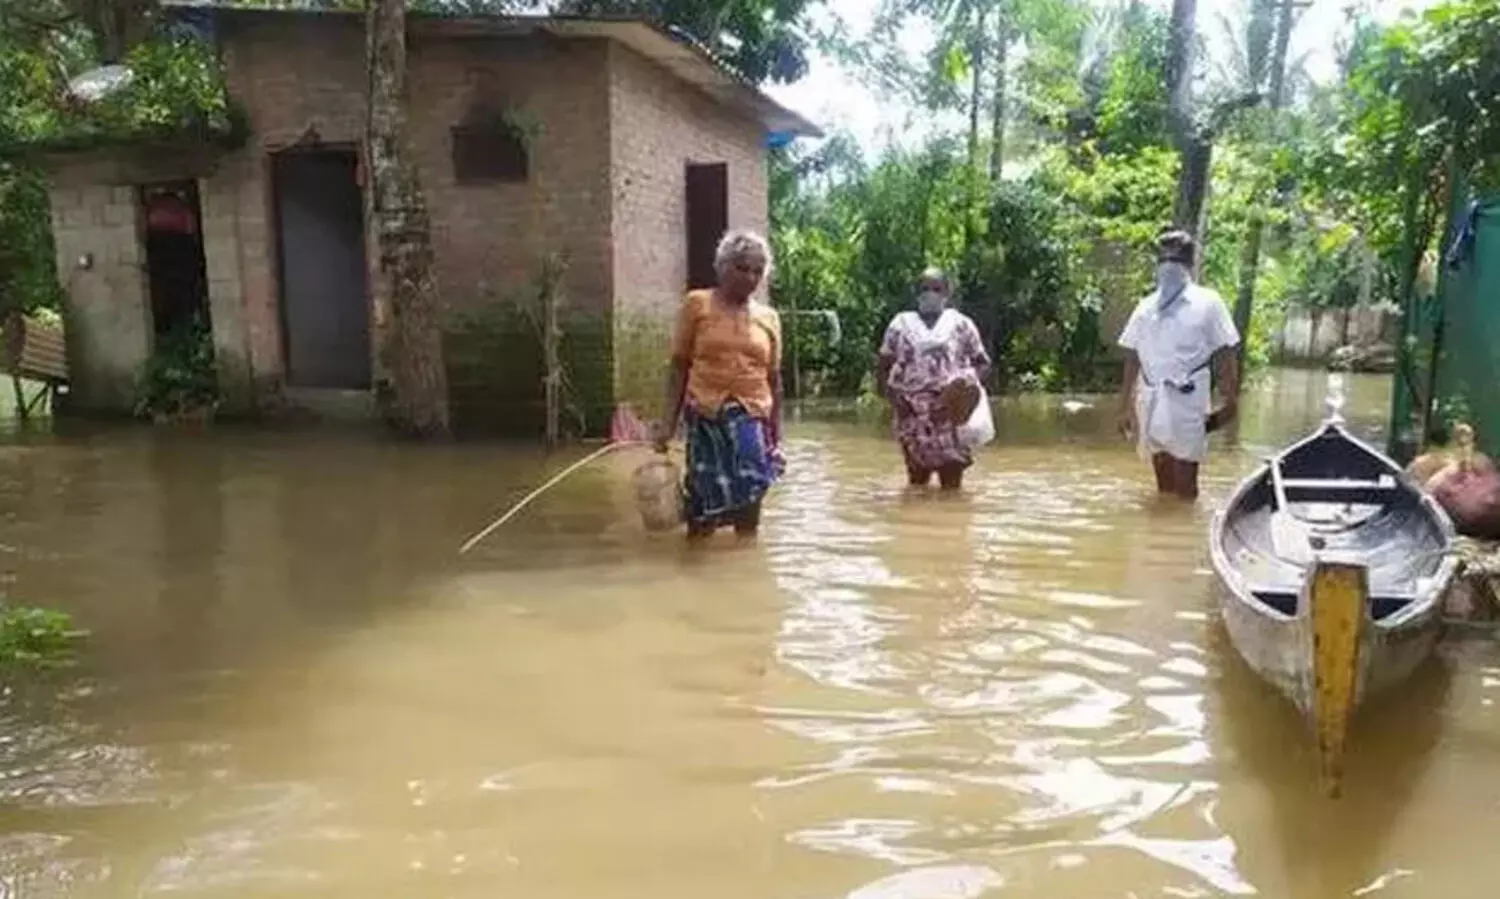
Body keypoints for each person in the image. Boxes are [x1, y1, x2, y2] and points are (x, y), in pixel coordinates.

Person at [654, 230, 784, 540]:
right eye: (742, 267)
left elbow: (774, 380)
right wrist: (666, 425)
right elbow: (678, 366)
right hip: (706, 414)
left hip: (751, 417)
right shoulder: (698, 304)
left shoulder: (768, 317)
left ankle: (745, 560)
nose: (750, 277)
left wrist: (777, 438)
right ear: (723, 267)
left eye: (757, 270)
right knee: (703, 498)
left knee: (752, 491)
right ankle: (697, 569)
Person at [1117, 230, 1241, 500]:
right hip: (1150, 401)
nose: (1168, 264)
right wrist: (1124, 406)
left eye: (1175, 258)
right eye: (1164, 258)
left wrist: (1230, 399)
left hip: (1188, 401)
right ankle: (1164, 531)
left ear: (1189, 263)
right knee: (1163, 481)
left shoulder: (1208, 302)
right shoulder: (1145, 307)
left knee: (1186, 481)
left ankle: (1183, 528)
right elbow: (1132, 356)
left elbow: (1226, 351)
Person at [876, 267, 992, 490]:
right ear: (916, 293)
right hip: (911, 417)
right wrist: (894, 399)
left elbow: (983, 363)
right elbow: (883, 365)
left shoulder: (961, 324)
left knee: (952, 486)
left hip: (949, 416)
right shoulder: (899, 325)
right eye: (924, 288)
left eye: (936, 288)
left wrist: (963, 393)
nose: (930, 294)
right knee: (917, 484)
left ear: (947, 292)